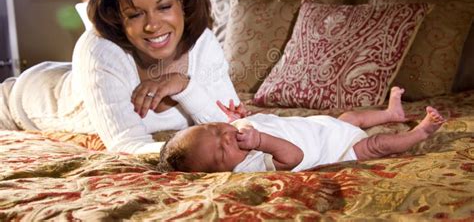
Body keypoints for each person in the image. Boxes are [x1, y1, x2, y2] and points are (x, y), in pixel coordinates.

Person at [0, 0, 240, 154]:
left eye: (164, 7)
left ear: (184, 4)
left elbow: (232, 125)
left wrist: (183, 85)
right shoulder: (99, 51)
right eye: (135, 14)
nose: (152, 25)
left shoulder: (203, 42)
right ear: (118, 18)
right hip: (28, 98)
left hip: (77, 76)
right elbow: (128, 146)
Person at [159, 87, 447, 172]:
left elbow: (266, 121)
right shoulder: (252, 164)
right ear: (223, 171)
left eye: (213, 129)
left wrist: (245, 116)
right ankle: (419, 133)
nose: (225, 137)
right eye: (222, 151)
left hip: (320, 126)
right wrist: (259, 140)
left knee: (351, 118)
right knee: (376, 145)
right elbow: (293, 155)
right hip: (333, 150)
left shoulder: (235, 129)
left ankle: (389, 112)